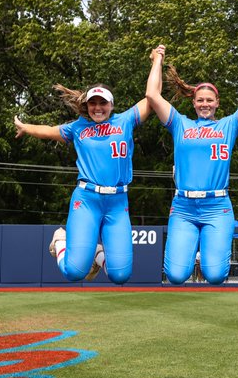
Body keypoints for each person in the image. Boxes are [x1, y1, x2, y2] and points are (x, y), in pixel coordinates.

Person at [146, 45, 238, 284]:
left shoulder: (229, 125)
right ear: (193, 103)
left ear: (217, 103)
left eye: (209, 100)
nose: (205, 104)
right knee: (175, 275)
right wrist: (157, 60)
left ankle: (207, 254)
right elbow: (152, 95)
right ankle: (196, 251)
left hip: (217, 205)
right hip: (183, 206)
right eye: (200, 100)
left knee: (215, 275)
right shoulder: (180, 124)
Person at [14, 83, 151, 284]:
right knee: (75, 272)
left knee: (120, 275)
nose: (97, 107)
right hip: (87, 200)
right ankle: (60, 240)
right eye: (92, 103)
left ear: (111, 105)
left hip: (117, 202)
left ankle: (98, 256)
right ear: (86, 106)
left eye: (102, 102)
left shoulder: (125, 120)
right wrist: (26, 127)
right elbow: (49, 131)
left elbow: (151, 97)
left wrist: (157, 59)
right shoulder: (78, 127)